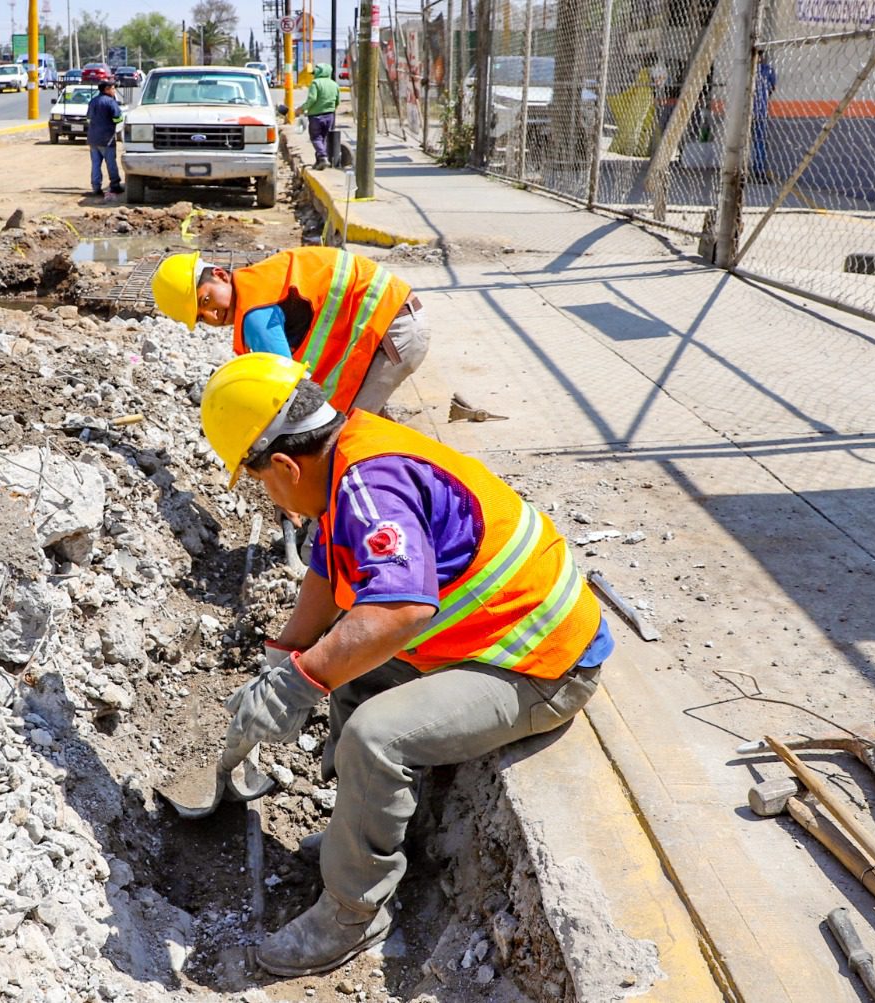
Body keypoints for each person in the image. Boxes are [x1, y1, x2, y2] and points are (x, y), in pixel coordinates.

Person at [200, 353, 612, 976]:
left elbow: (400, 612)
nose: (267, 493)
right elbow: (327, 568)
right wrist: (284, 658)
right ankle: (366, 841)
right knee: (350, 672)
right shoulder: (351, 452)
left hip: (541, 663)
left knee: (376, 736)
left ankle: (352, 915)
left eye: (259, 480)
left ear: (285, 464)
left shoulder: (371, 486)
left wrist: (302, 681)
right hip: (491, 639)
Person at [150, 247, 427, 417]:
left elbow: (291, 391)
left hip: (393, 330)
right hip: (399, 323)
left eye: (206, 300)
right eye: (201, 318)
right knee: (363, 426)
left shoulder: (255, 313)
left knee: (346, 437)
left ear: (221, 275)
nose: (212, 315)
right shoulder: (263, 282)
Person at [297, 63, 341, 169]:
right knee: (323, 138)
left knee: (316, 138)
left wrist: (302, 108)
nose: (313, 75)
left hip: (316, 116)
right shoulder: (334, 84)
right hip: (330, 116)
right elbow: (337, 101)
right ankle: (319, 162)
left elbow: (312, 99)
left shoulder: (315, 83)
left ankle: (323, 157)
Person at [86, 79, 124, 199]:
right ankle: (115, 185)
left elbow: (88, 118)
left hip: (93, 138)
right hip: (107, 138)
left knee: (95, 164)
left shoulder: (93, 101)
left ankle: (96, 187)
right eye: (113, 88)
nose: (114, 90)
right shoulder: (110, 102)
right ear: (106, 89)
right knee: (111, 163)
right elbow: (118, 118)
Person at [750, 58, 777, 181]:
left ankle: (745, 170)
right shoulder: (768, 70)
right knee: (759, 142)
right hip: (761, 111)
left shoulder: (747, 69)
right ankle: (758, 171)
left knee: (745, 143)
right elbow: (772, 88)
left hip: (748, 112)